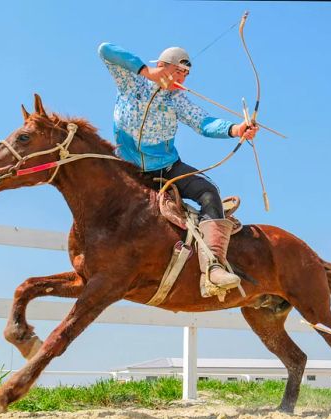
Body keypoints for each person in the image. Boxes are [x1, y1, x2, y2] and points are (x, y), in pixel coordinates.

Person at [98, 42, 258, 293]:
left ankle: (213, 269)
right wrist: (144, 71)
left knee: (209, 192)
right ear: (160, 66)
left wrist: (235, 129)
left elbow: (204, 123)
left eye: (185, 74)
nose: (182, 78)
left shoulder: (178, 101)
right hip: (125, 169)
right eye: (178, 71)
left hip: (165, 168)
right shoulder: (132, 83)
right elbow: (105, 50)